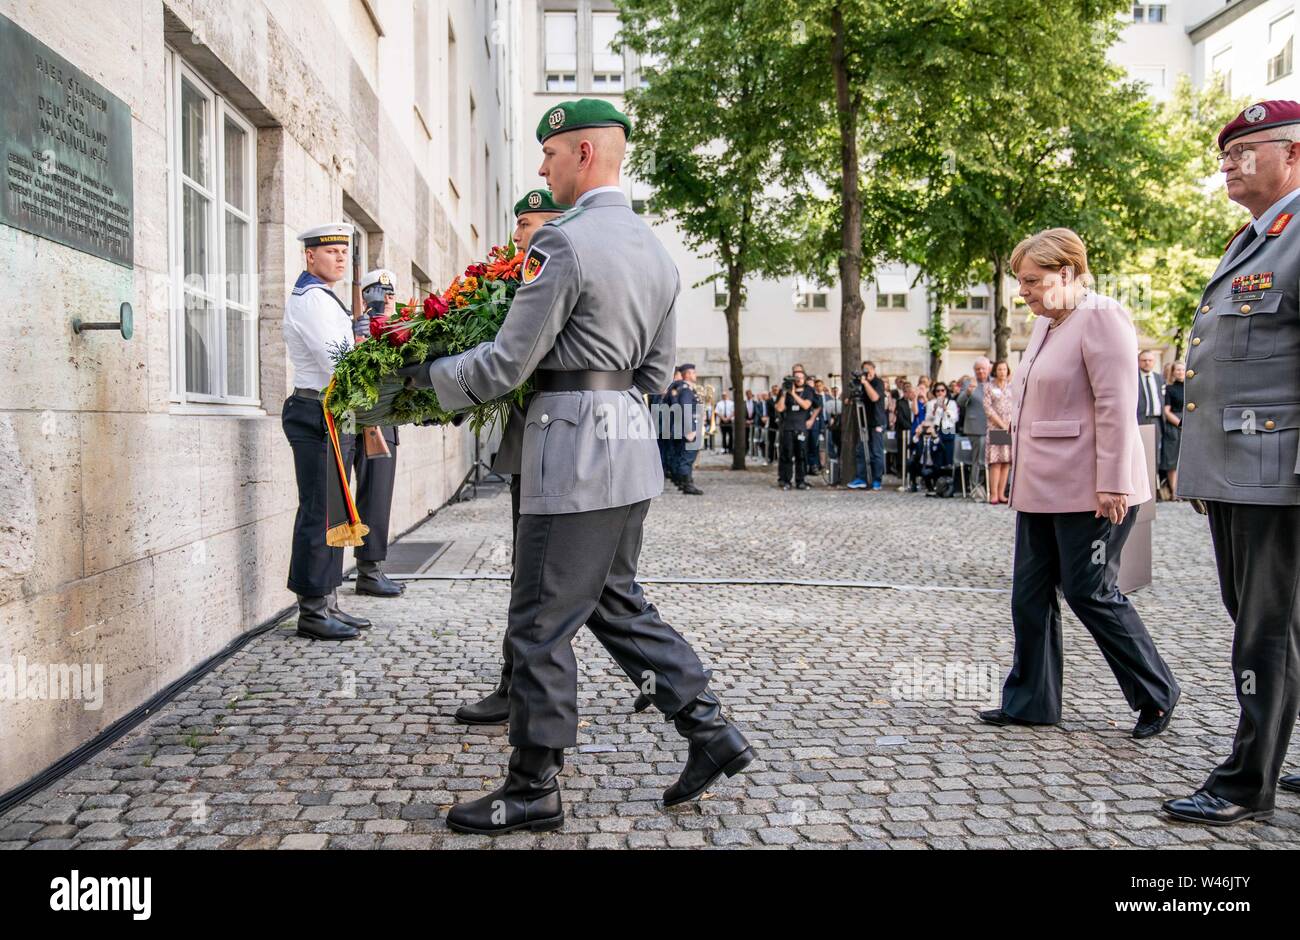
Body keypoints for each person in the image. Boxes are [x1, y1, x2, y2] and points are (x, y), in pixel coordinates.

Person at [407, 99, 754, 834]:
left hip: (570, 454)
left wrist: (424, 376)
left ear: (586, 155)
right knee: (611, 601)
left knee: (539, 620)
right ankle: (710, 730)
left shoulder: (563, 244)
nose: (542, 166)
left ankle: (531, 786)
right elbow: (656, 374)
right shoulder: (659, 254)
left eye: (552, 153)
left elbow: (505, 362)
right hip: (626, 450)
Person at [979, 227, 1179, 740]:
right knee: (1029, 594)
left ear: (1066, 274)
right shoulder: (1046, 324)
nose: (1022, 290)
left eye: (1031, 280)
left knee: (1091, 592)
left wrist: (1112, 482)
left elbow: (1116, 405)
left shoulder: (1103, 317)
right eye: (1019, 281)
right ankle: (1030, 702)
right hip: (1042, 486)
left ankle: (1156, 694)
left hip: (1093, 488)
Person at [1162, 100, 1300, 826]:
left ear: (1294, 154)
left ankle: (1247, 783)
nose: (1228, 165)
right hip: (1242, 469)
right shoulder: (1256, 238)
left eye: (1245, 152)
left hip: (1278, 474)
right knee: (1274, 625)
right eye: (1225, 154)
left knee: (1265, 630)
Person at [453, 188, 568, 726]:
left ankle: (682, 701)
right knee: (535, 575)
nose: (518, 234)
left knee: (565, 584)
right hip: (533, 449)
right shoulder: (515, 282)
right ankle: (514, 683)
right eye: (518, 225)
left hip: (560, 450)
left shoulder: (556, 271)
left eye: (526, 223)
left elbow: (512, 361)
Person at [281, 222, 369, 641]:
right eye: (330, 251)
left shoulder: (325, 298)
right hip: (316, 411)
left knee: (335, 510)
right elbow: (337, 362)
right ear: (309, 256)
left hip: (332, 410)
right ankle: (312, 611)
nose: (339, 257)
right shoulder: (312, 300)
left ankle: (328, 600)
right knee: (319, 510)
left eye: (343, 252)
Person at [351, 269, 404, 598]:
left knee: (378, 496)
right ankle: (368, 572)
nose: (387, 299)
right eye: (380, 292)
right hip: (366, 421)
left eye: (390, 293)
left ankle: (370, 569)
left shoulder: (395, 327)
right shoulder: (360, 328)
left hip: (384, 421)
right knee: (370, 496)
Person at [774, 365, 818, 490]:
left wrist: (793, 394)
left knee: (801, 455)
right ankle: (786, 480)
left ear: (804, 378)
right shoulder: (785, 390)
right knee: (787, 454)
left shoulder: (808, 390)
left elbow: (806, 405)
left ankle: (801, 480)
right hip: (787, 427)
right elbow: (780, 408)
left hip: (801, 427)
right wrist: (784, 394)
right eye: (796, 377)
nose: (798, 380)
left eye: (801, 377)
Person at [667, 363, 704, 495]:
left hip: (685, 428)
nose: (695, 375)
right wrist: (690, 430)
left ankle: (684, 483)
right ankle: (687, 485)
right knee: (687, 458)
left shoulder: (684, 389)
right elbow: (686, 409)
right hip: (689, 429)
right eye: (693, 373)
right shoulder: (686, 390)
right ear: (687, 374)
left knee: (683, 457)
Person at [849, 361, 886, 490]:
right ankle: (861, 478)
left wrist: (866, 383)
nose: (867, 372)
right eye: (864, 370)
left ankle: (877, 479)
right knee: (861, 450)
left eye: (869, 369)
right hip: (864, 422)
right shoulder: (861, 383)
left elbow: (875, 397)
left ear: (874, 370)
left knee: (876, 452)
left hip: (877, 422)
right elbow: (850, 399)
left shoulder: (878, 383)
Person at [958, 358, 990, 494]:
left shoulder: (994, 383)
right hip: (976, 427)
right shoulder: (969, 383)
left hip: (997, 427)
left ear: (989, 369)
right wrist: (967, 393)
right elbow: (960, 402)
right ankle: (976, 486)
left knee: (1002, 457)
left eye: (983, 368)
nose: (981, 371)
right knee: (979, 458)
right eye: (978, 369)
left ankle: (998, 488)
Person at [984, 360, 1014, 505]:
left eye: (1004, 369)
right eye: (1000, 369)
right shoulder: (989, 387)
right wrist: (1001, 424)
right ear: (995, 371)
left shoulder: (1011, 387)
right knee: (996, 462)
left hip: (1009, 428)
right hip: (996, 428)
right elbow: (987, 408)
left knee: (1006, 461)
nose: (1002, 372)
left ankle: (1002, 494)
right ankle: (994, 494)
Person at [1137, 349, 1165, 484]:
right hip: (1139, 420)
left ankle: (1154, 488)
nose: (1147, 363)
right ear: (1138, 362)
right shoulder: (1133, 377)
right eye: (1144, 360)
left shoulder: (1159, 378)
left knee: (1155, 456)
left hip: (1156, 420)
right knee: (1139, 455)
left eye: (1150, 360)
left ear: (1153, 362)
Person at [1159, 361, 1185, 500]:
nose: (1180, 372)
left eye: (1183, 369)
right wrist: (1180, 423)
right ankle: (1174, 492)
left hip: (1190, 425)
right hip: (1175, 425)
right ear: (1173, 372)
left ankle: (1186, 492)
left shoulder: (1192, 387)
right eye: (1178, 370)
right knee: (1173, 460)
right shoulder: (1169, 389)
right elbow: (1166, 411)